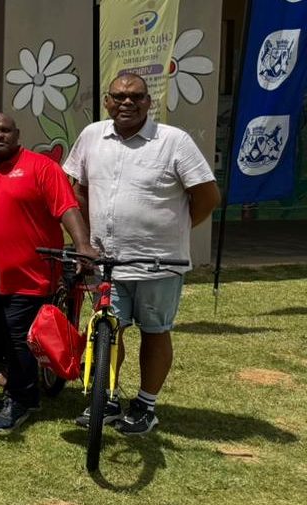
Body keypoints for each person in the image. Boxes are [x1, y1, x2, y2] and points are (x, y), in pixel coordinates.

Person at [62, 73, 221, 434]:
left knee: (154, 331)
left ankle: (146, 405)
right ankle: (108, 397)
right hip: (107, 262)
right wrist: (85, 242)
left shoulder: (173, 141)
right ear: (107, 101)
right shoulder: (92, 136)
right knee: (106, 331)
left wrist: (176, 230)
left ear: (150, 102)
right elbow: (80, 189)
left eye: (136, 97)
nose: (127, 103)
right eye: (118, 97)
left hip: (159, 263)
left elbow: (208, 196)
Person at [0, 113, 95, 433]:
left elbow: (66, 208)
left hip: (30, 276)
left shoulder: (42, 168)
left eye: (5, 130)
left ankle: (23, 398)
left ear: (17, 134)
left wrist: (83, 244)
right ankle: (15, 388)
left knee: (20, 337)